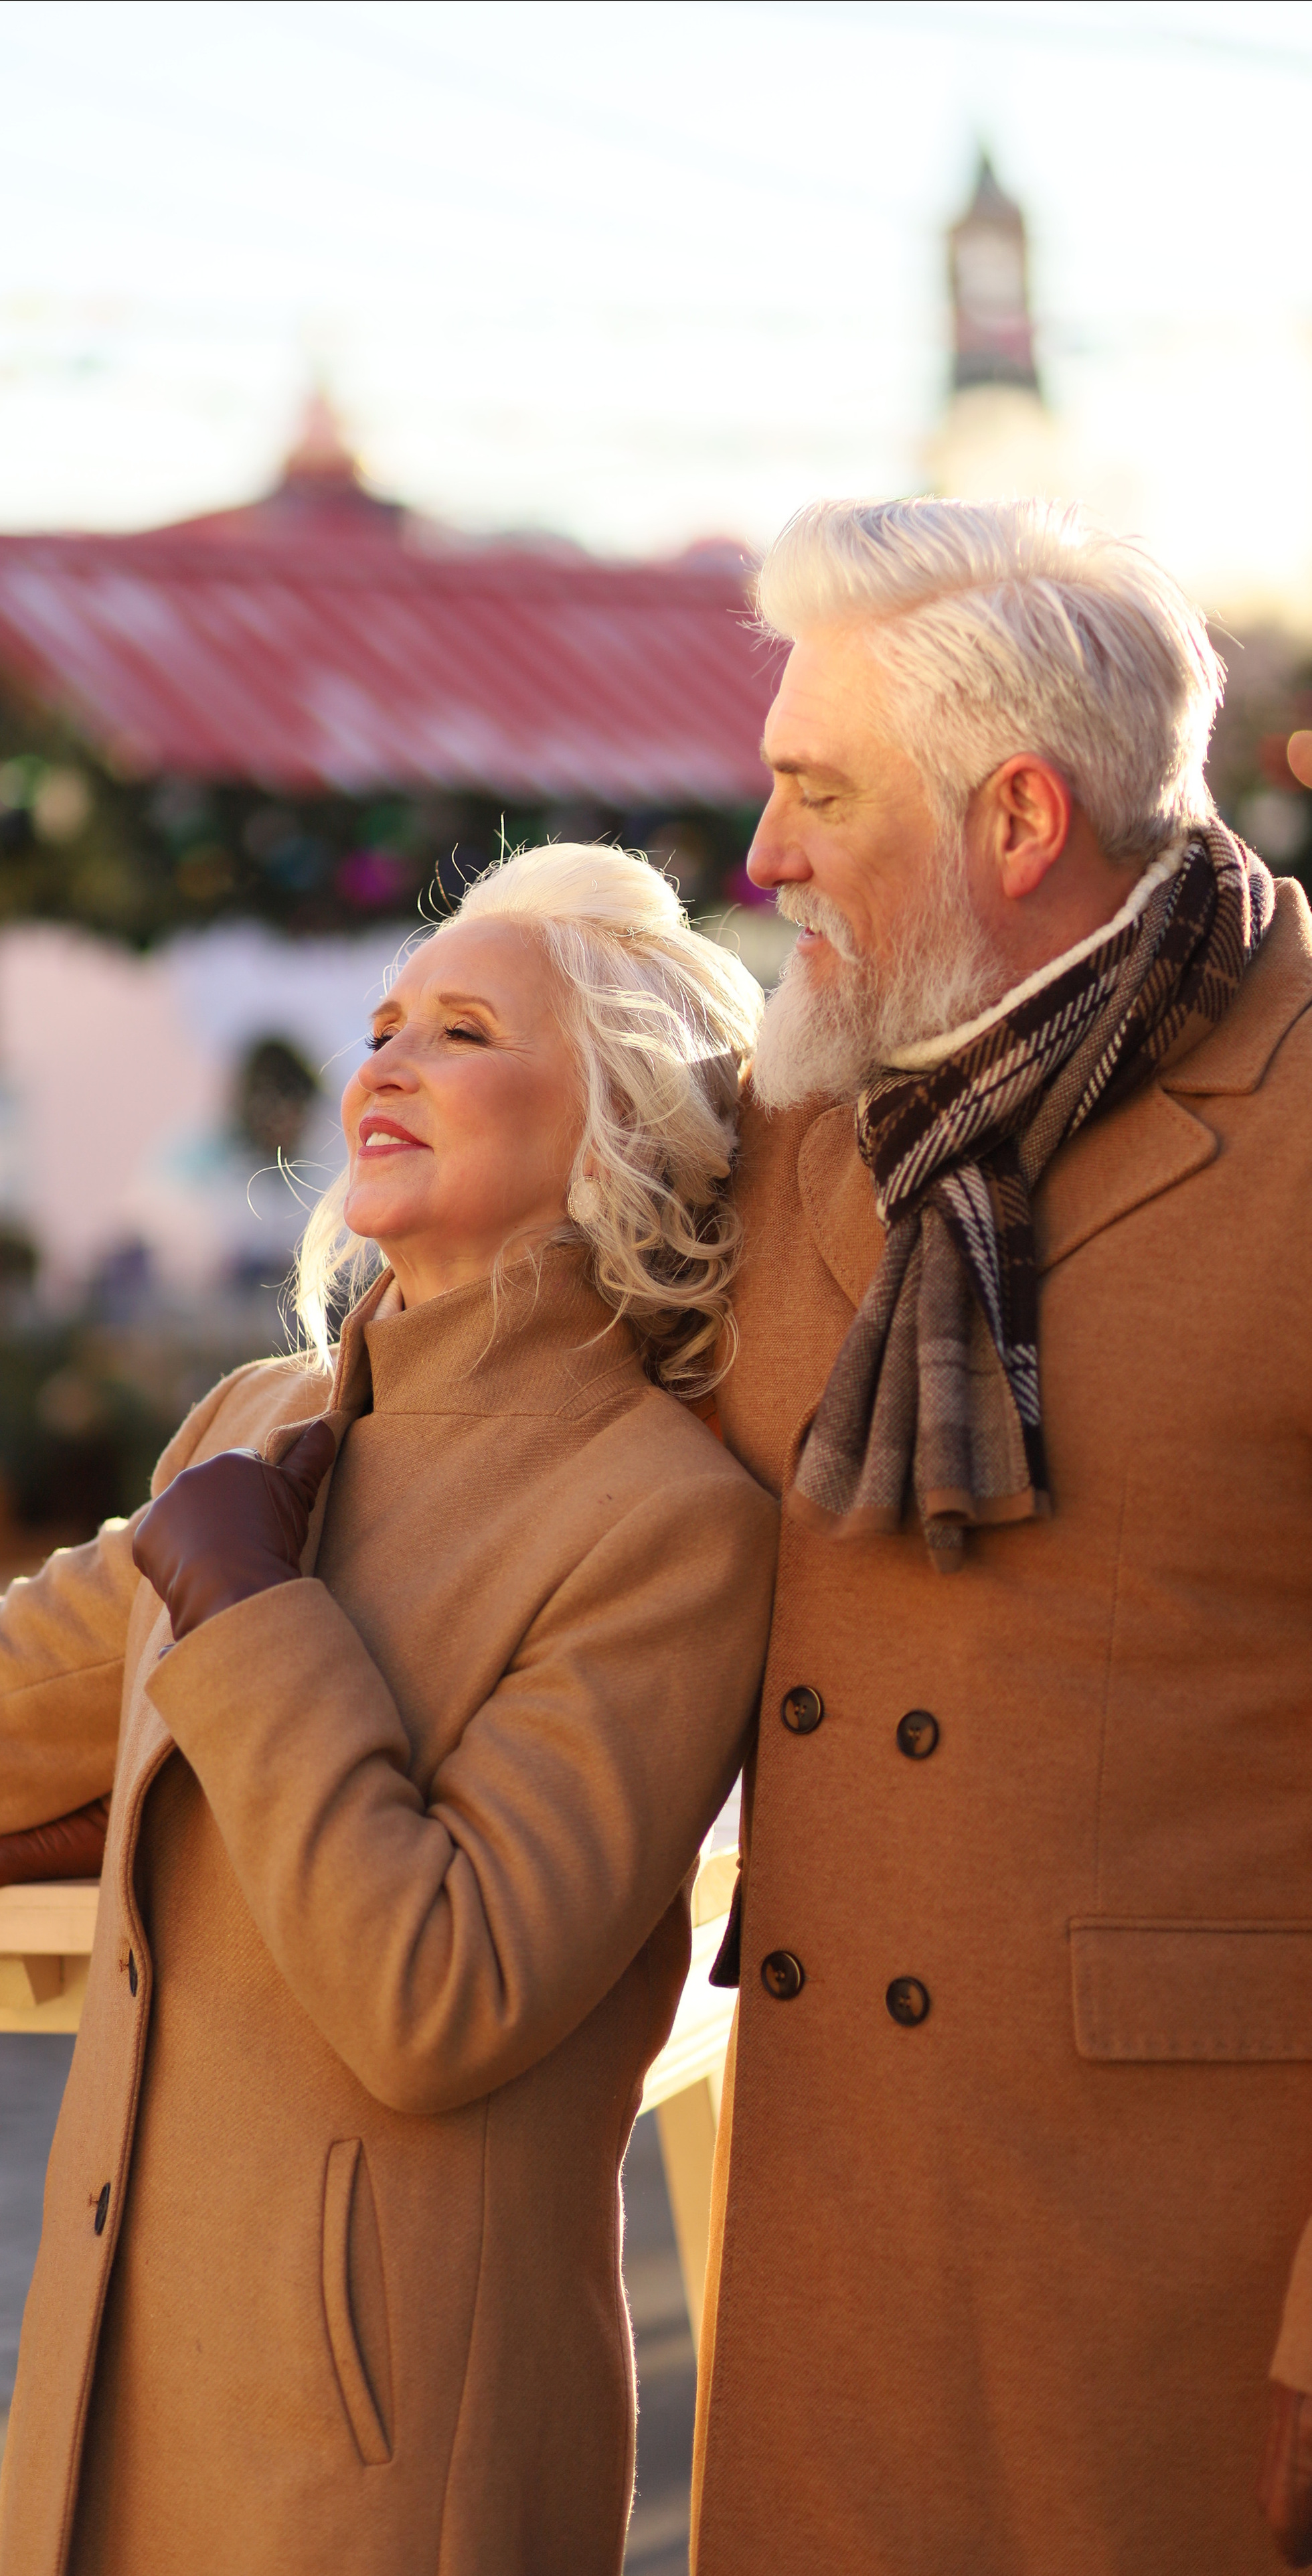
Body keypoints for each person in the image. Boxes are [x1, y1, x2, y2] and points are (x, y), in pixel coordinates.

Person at [0, 844, 776, 2576]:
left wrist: (246, 1616)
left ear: (622, 1129)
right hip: (110, 2387)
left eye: (464, 1031)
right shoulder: (257, 1425)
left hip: (392, 2466)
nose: (385, 1063)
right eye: (385, 1022)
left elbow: (442, 1993)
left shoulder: (666, 1519)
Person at [694, 495, 1312, 2575]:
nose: (760, 859)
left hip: (1192, 2287)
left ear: (1019, 818)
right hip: (836, 2239)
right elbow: (474, 1486)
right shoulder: (791, 1119)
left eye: (813, 793)